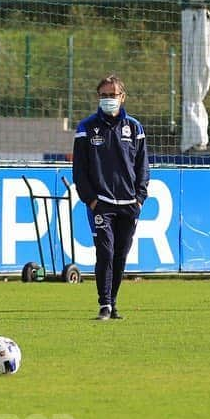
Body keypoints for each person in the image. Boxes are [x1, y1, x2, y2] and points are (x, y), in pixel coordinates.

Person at [72, 75, 149, 321]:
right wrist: (90, 199)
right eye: (104, 96)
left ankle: (113, 303)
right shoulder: (86, 127)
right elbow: (80, 170)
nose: (108, 100)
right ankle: (104, 304)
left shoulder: (135, 128)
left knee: (120, 255)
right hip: (101, 204)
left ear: (122, 97)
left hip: (129, 204)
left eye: (112, 95)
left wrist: (139, 198)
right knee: (104, 252)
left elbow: (143, 167)